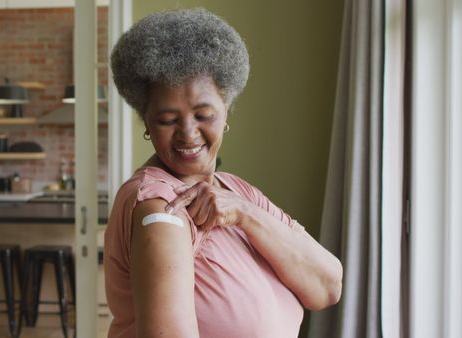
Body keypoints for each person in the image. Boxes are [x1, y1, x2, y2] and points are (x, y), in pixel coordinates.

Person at [104, 8, 343, 338]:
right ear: (146, 122)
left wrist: (245, 213)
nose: (188, 133)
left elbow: (327, 287)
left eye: (203, 115)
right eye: (168, 120)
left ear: (226, 110)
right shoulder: (159, 208)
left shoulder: (236, 193)